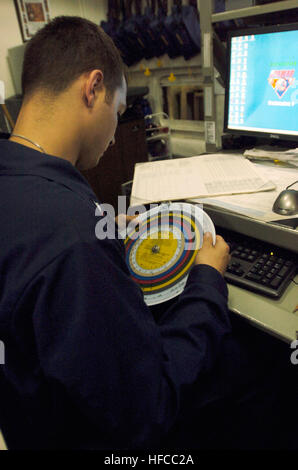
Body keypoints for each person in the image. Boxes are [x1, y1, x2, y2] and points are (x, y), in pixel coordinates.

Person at [0, 16, 296, 451]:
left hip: (31, 416)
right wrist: (208, 281)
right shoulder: (73, 240)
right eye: (118, 115)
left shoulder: (19, 180)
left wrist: (95, 222)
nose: (116, 139)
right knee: (269, 361)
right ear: (93, 88)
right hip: (106, 439)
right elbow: (149, 409)